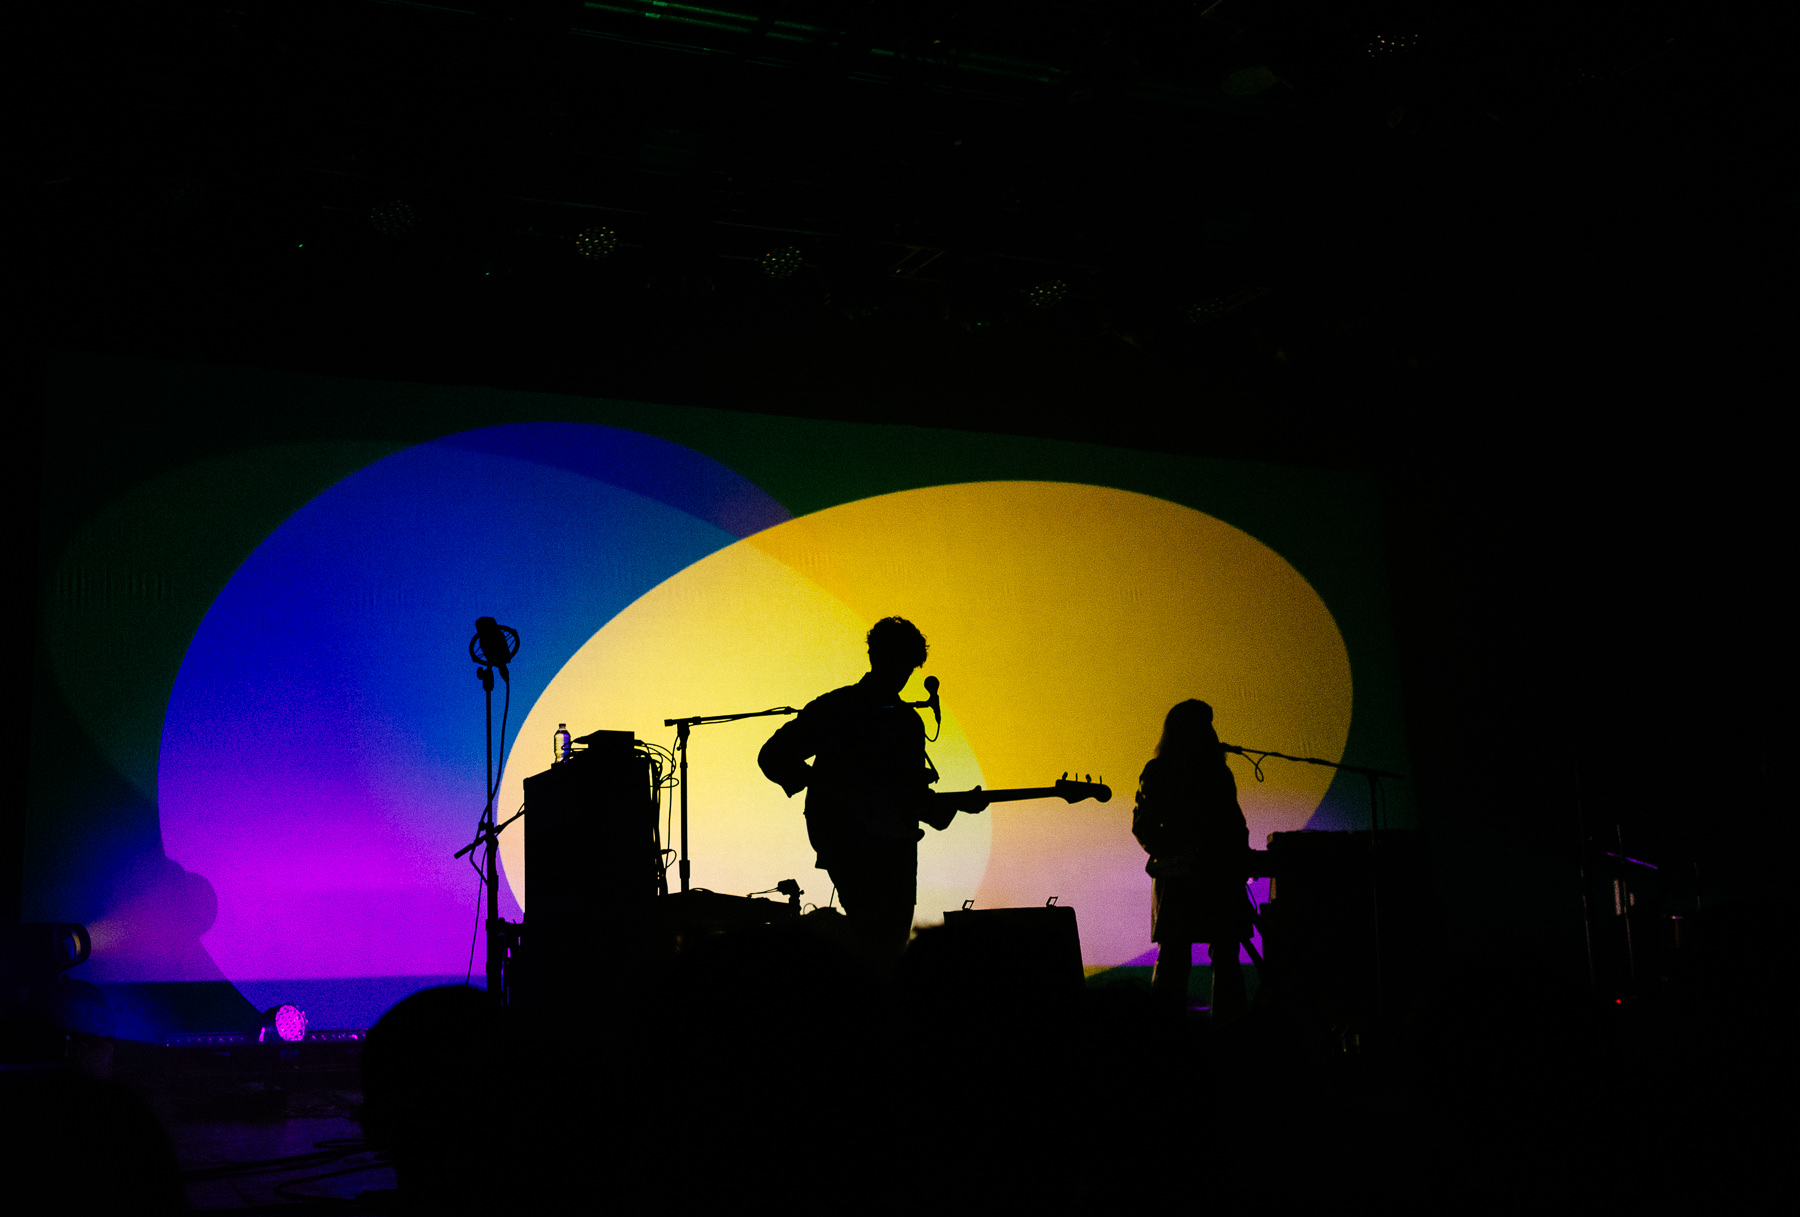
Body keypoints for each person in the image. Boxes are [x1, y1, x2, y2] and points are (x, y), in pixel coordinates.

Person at [758, 617, 983, 960]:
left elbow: (910, 797)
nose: (902, 673)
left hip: (895, 845)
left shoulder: (906, 721)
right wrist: (832, 789)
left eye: (908, 666)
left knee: (888, 944)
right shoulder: (837, 708)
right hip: (851, 841)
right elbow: (773, 756)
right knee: (878, 942)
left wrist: (954, 805)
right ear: (878, 657)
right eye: (899, 662)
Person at [1131, 699, 1254, 1020]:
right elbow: (1145, 827)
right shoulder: (1173, 772)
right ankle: (1216, 1032)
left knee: (1200, 956)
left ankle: (1191, 1032)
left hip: (1203, 875)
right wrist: (1183, 853)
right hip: (1189, 876)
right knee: (1190, 956)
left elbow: (1234, 823)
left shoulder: (1198, 772)